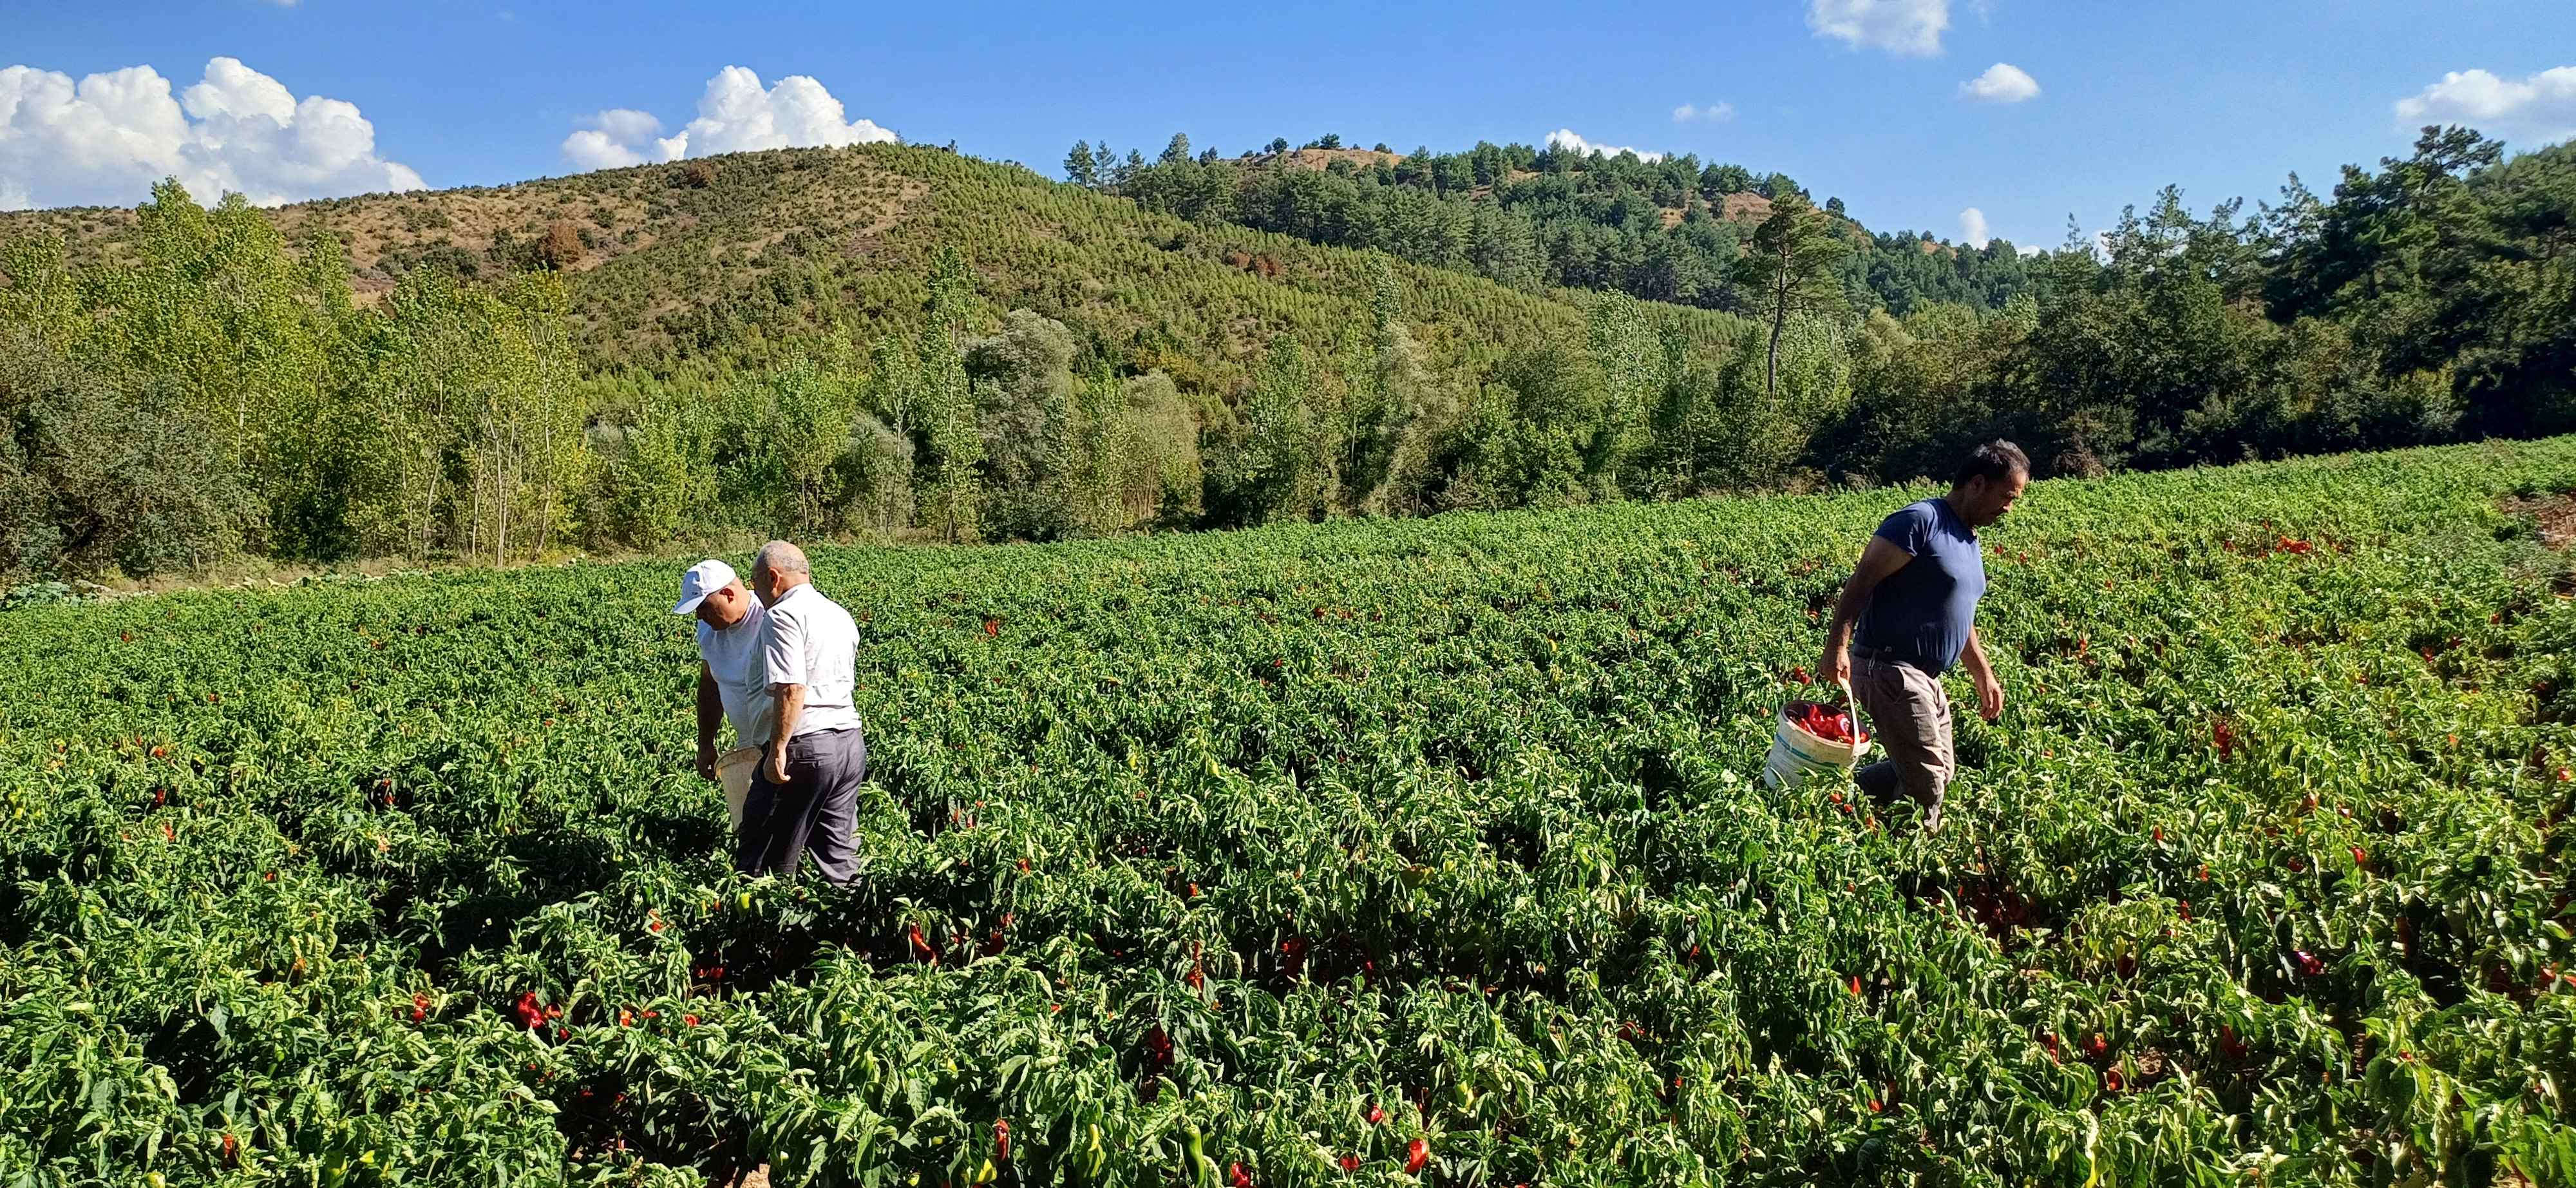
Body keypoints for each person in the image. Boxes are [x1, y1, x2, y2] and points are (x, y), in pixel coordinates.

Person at [1819, 441, 2029, 833]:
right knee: (1927, 782)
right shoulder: (1920, 520)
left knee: (1940, 770)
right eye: (2006, 497)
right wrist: (1838, 645)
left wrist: (1983, 673)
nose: (2009, 508)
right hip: (1890, 666)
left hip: (1926, 675)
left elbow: (1957, 614)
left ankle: (1828, 798)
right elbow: (1862, 581)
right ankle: (1909, 868)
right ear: (1978, 483)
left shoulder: (1967, 539)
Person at [739, 539, 866, 883]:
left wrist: (777, 750)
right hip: (849, 743)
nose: (758, 594)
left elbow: (793, 688)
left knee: (763, 857)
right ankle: (851, 928)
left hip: (806, 746)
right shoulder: (839, 614)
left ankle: (766, 932)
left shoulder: (782, 616)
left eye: (756, 584)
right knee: (838, 858)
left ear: (773, 577)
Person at [672, 559, 770, 828]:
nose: (699, 616)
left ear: (728, 594)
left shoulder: (769, 616)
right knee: (753, 822)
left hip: (784, 741)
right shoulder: (708, 629)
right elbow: (710, 686)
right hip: (749, 741)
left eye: (704, 607)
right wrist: (706, 744)